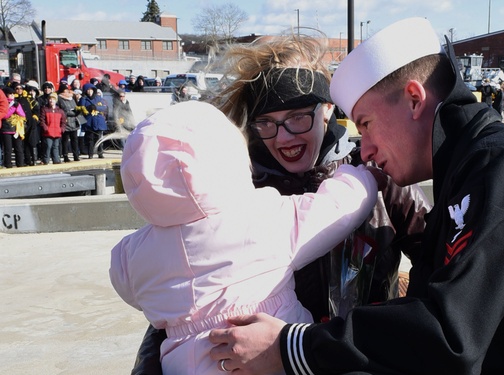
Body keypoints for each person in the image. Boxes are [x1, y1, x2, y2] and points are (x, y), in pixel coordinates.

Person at [208, 17, 504, 374]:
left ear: (414, 99)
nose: (365, 149)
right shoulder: (469, 170)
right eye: (268, 124)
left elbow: (450, 333)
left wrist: (293, 346)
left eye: (365, 122)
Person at [131, 32, 430, 374]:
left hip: (360, 360)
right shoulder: (224, 195)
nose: (284, 136)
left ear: (328, 108)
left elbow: (438, 261)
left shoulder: (376, 174)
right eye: (267, 123)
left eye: (299, 116)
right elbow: (180, 298)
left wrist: (398, 336)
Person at [110, 100, 381, 375]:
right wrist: (358, 176)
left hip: (180, 364)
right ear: (229, 158)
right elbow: (336, 209)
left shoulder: (131, 253)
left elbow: (133, 293)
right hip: (267, 357)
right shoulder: (262, 217)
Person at [79, 83, 108, 158]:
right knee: (90, 138)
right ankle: (90, 154)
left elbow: (104, 107)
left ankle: (100, 153)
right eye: (87, 90)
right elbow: (81, 108)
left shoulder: (98, 98)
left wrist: (95, 107)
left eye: (90, 90)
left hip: (98, 120)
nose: (89, 91)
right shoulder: (83, 99)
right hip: (89, 121)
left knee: (99, 138)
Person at [1, 86, 26, 168]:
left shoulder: (16, 103)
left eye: (13, 93)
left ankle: (20, 164)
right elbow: (4, 115)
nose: (12, 95)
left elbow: (22, 114)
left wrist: (16, 108)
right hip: (6, 128)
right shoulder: (4, 104)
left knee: (18, 148)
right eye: (10, 94)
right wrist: (12, 109)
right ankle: (8, 164)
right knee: (8, 149)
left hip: (16, 128)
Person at [39, 92, 66, 165]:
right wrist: (45, 128)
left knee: (55, 147)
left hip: (57, 132)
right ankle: (45, 160)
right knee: (47, 146)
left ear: (56, 100)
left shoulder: (60, 111)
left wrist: (61, 129)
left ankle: (56, 160)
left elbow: (63, 122)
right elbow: (42, 120)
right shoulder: (45, 109)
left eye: (53, 99)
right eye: (50, 99)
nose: (51, 100)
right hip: (48, 132)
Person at [56, 84, 81, 162]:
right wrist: (73, 113)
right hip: (65, 122)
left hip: (74, 121)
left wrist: (78, 110)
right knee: (65, 140)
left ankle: (76, 155)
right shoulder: (59, 98)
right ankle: (65, 156)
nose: (66, 92)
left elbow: (76, 106)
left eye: (67, 90)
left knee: (74, 140)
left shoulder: (71, 98)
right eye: (64, 90)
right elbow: (62, 110)